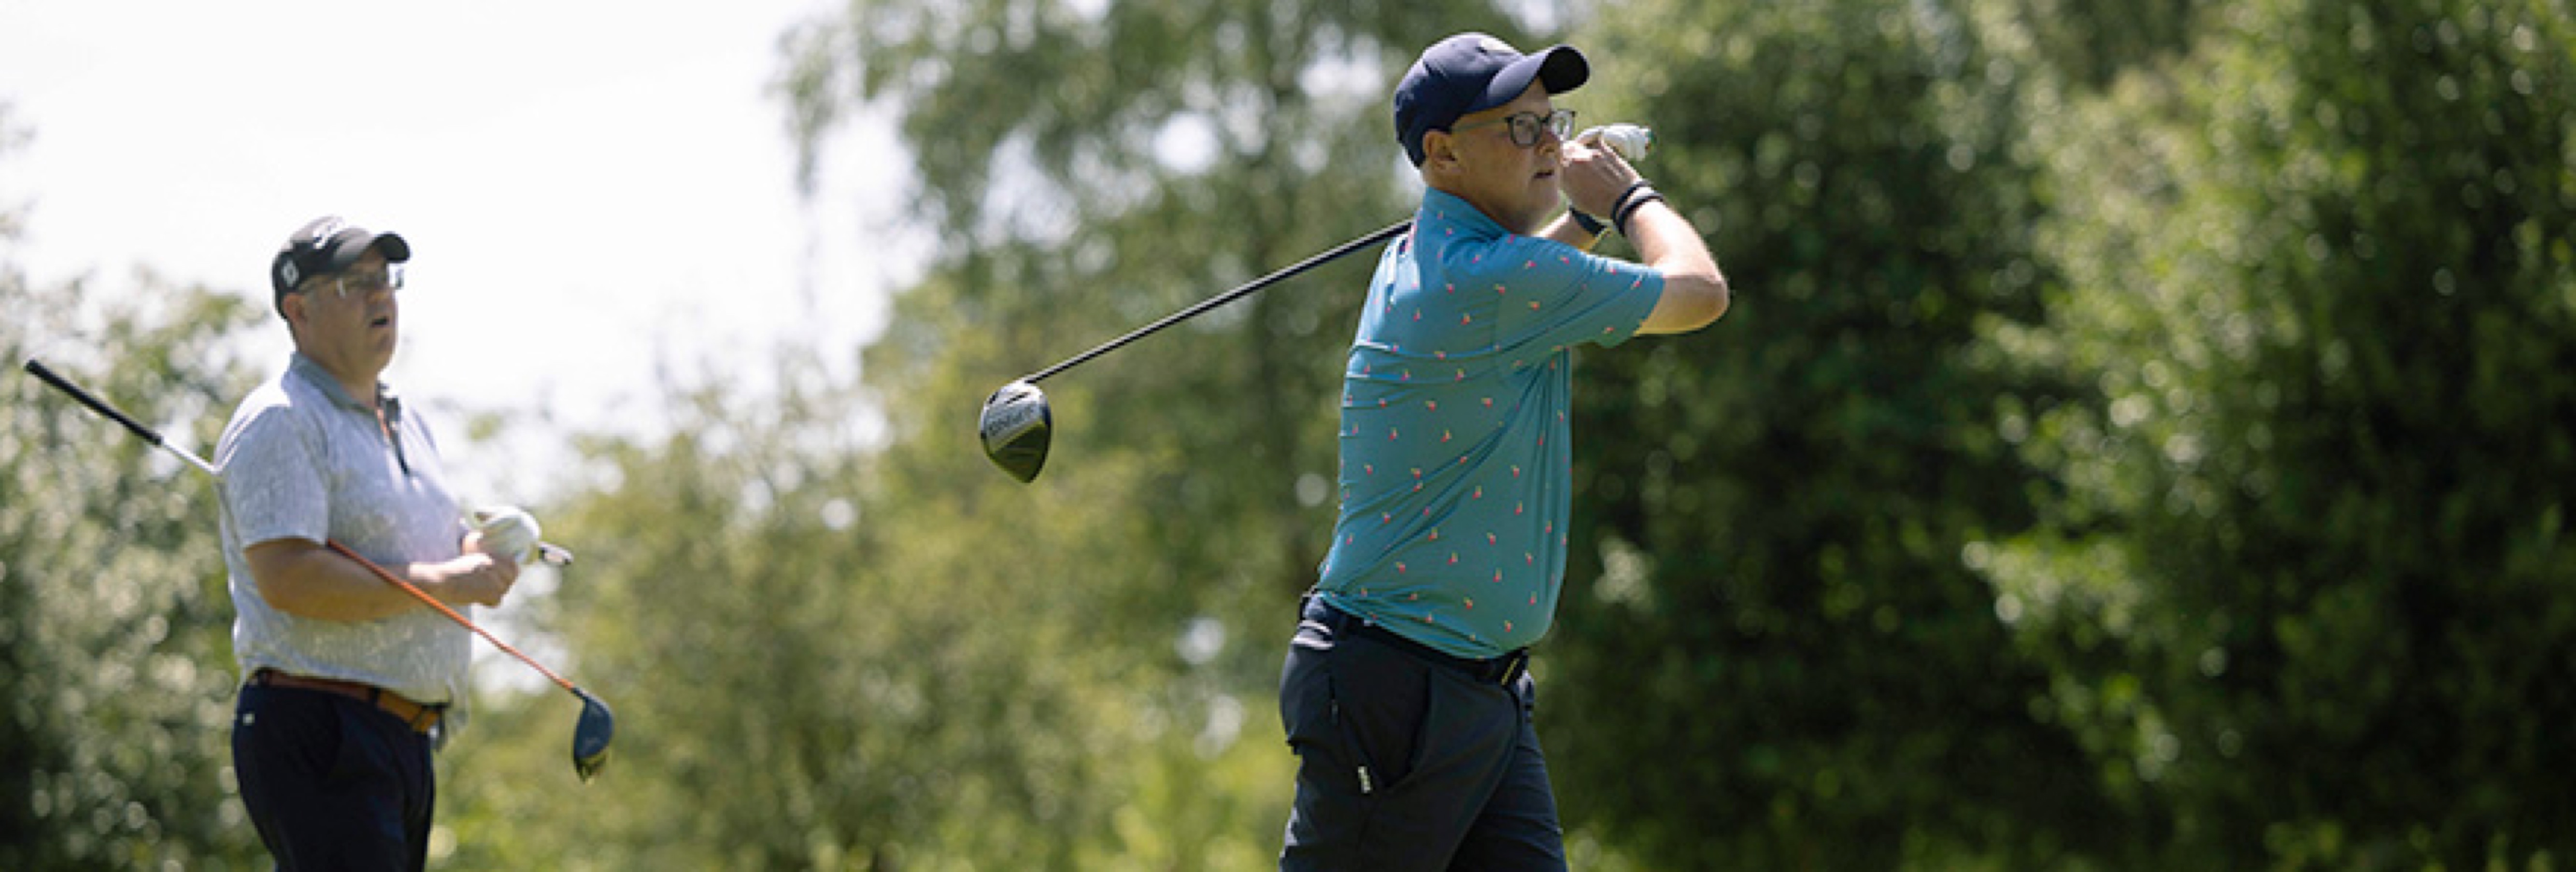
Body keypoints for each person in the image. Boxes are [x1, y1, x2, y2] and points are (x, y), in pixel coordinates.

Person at [1277, 32, 1728, 871]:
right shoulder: (1485, 281)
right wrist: (1631, 199)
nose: (1551, 145)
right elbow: (1700, 293)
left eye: (1551, 122)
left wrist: (1581, 217)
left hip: (1477, 688)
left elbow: (1524, 292)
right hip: (1396, 688)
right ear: (1441, 155)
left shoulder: (1442, 262)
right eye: (1520, 131)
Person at [215, 215, 531, 870]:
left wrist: (482, 547)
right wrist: (450, 583)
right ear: (297, 309)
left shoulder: (406, 418)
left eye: (385, 280)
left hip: (401, 735)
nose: (380, 296)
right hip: (319, 725)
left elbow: (429, 542)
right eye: (354, 284)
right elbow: (292, 578)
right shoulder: (282, 418)